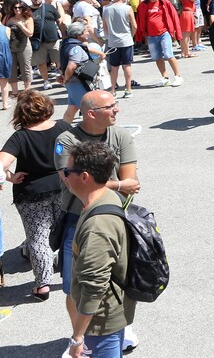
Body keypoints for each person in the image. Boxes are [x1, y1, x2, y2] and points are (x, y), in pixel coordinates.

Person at [54, 91, 140, 353]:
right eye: (110, 106)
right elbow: (68, 180)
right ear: (91, 114)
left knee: (116, 279)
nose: (117, 109)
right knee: (74, 286)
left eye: (116, 104)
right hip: (76, 219)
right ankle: (81, 336)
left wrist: (107, 184)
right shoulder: (66, 139)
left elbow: (132, 182)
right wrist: (116, 184)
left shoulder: (121, 135)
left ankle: (113, 328)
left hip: (113, 217)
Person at [60, 140, 135, 357]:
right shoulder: (107, 196)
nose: (65, 176)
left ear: (84, 177)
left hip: (100, 323)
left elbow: (94, 287)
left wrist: (77, 338)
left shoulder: (97, 227)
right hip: (109, 314)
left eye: (68, 171)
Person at [1, 90, 68, 301]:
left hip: (32, 193)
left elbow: (2, 164)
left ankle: (42, 285)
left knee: (38, 238)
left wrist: (10, 177)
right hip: (64, 187)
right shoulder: (63, 127)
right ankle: (71, 273)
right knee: (68, 230)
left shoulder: (20, 137)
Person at [134, 0, 183, 87]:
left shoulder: (165, 3)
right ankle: (165, 78)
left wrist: (175, 31)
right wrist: (141, 34)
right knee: (157, 57)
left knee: (169, 55)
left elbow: (174, 16)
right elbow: (140, 20)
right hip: (151, 36)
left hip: (164, 33)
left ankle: (178, 76)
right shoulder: (143, 5)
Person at [101, 0, 136, 99]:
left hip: (112, 41)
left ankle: (113, 90)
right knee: (127, 65)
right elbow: (134, 25)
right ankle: (128, 89)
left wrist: (109, 36)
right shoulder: (127, 8)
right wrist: (131, 36)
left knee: (114, 66)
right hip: (126, 40)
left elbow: (105, 26)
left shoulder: (106, 9)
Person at [59, 21, 97, 124]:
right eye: (85, 31)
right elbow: (71, 66)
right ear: (78, 34)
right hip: (78, 83)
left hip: (73, 83)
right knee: (90, 110)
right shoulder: (76, 48)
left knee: (71, 109)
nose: (88, 33)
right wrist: (66, 79)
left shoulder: (66, 44)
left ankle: (63, 129)